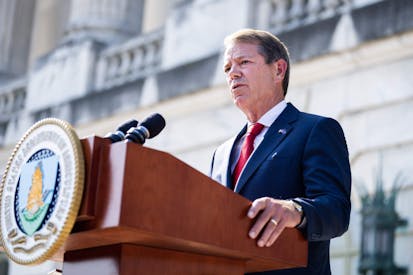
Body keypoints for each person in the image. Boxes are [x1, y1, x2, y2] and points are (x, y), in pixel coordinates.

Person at [209, 29, 351, 275]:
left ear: (278, 70)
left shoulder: (315, 130)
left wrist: (293, 210)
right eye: (227, 68)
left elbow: (336, 211)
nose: (233, 73)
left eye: (244, 62)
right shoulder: (221, 153)